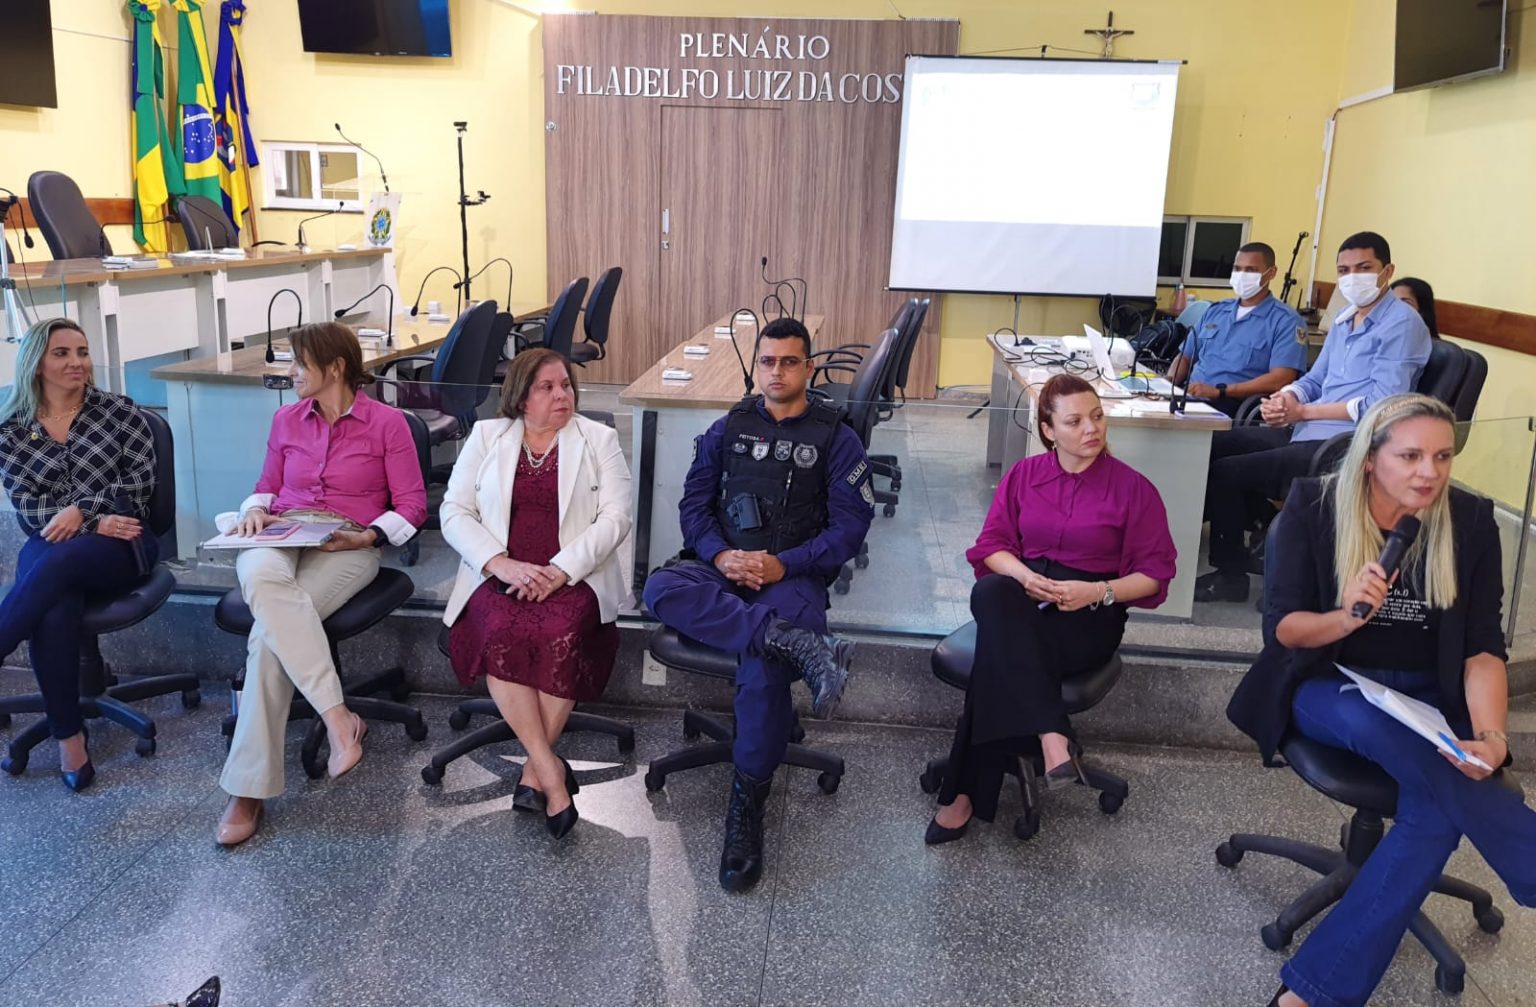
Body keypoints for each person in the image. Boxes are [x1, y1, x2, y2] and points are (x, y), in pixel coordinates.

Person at [1227, 393, 1534, 1007]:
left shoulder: (1470, 521)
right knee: (1390, 735)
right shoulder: (1314, 507)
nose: (1429, 472)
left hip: (1427, 697)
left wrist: (1493, 738)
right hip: (1328, 682)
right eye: (1411, 456)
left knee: (1433, 815)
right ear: (1371, 457)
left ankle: (1309, 995)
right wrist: (1346, 616)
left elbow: (1482, 647)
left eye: (1442, 457)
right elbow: (1284, 631)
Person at [642, 316, 874, 892]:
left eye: (789, 362)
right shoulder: (728, 428)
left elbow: (849, 530)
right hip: (723, 567)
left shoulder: (837, 438)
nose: (777, 372)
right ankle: (790, 640)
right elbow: (694, 507)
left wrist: (783, 564)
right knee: (660, 589)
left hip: (792, 575)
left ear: (808, 368)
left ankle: (746, 807)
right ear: (757, 367)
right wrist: (721, 556)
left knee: (762, 670)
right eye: (768, 362)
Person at [927, 374, 1176, 844]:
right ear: (1048, 429)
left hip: (1089, 613)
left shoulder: (1133, 489)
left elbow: (1155, 575)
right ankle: (1051, 732)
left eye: (1097, 416)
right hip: (1025, 597)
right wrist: (1025, 577)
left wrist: (1096, 591)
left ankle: (960, 796)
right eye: (1075, 421)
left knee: (998, 658)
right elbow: (991, 547)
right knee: (992, 593)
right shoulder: (1024, 476)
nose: (1092, 429)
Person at [215, 322, 427, 846]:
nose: (290, 373)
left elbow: (412, 506)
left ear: (334, 368)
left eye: (299, 363)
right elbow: (266, 486)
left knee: (268, 638)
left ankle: (246, 791)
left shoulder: (388, 425)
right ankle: (338, 718)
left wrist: (369, 536)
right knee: (261, 576)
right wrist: (254, 511)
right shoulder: (286, 419)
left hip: (346, 542)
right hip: (282, 530)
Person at [440, 349, 632, 840]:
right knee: (500, 628)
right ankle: (548, 768)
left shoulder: (598, 439)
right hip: (502, 570)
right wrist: (497, 562)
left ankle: (534, 770)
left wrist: (562, 570)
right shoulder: (487, 437)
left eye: (565, 385)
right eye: (547, 387)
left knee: (562, 630)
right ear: (521, 397)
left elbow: (616, 519)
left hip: (574, 572)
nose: (561, 395)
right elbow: (453, 511)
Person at [1196, 232, 1432, 603]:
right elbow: (1315, 379)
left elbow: (1383, 403)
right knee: (1211, 445)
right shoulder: (1343, 319)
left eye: (1363, 268)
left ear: (1387, 271)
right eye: (1344, 270)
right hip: (1306, 428)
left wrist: (1303, 410)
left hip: (1347, 443)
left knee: (1227, 472)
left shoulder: (1402, 324)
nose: (1352, 277)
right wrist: (1285, 398)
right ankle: (1264, 537)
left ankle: (1231, 575)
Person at [0, 317, 157, 792]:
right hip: (52, 541)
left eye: (83, 352)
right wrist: (90, 519)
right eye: (62, 353)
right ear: (37, 364)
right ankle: (69, 737)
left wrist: (82, 512)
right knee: (54, 600)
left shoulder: (120, 413)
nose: (77, 362)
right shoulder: (11, 431)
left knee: (54, 565)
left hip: (125, 539)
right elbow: (29, 508)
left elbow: (138, 487)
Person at [1167, 242, 1308, 417]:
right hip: (1188, 396)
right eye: (1237, 269)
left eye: (1250, 270)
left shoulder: (1286, 321)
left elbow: (1281, 379)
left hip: (1229, 404)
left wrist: (1221, 391)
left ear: (1271, 273)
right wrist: (1168, 382)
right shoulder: (1216, 311)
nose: (1242, 275)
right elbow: (1185, 356)